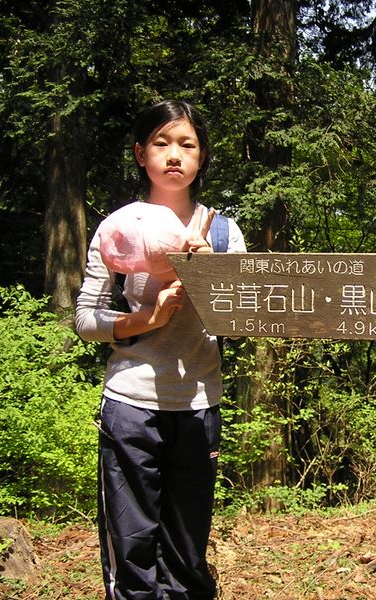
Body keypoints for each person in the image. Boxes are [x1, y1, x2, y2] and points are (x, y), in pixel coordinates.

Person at [75, 100, 246, 599]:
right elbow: (87, 319)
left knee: (187, 552)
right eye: (161, 143)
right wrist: (150, 317)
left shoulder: (222, 232)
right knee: (132, 550)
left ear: (202, 157)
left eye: (187, 145)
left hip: (198, 406)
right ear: (140, 153)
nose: (175, 156)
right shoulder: (118, 229)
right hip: (130, 404)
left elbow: (243, 317)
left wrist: (209, 271)